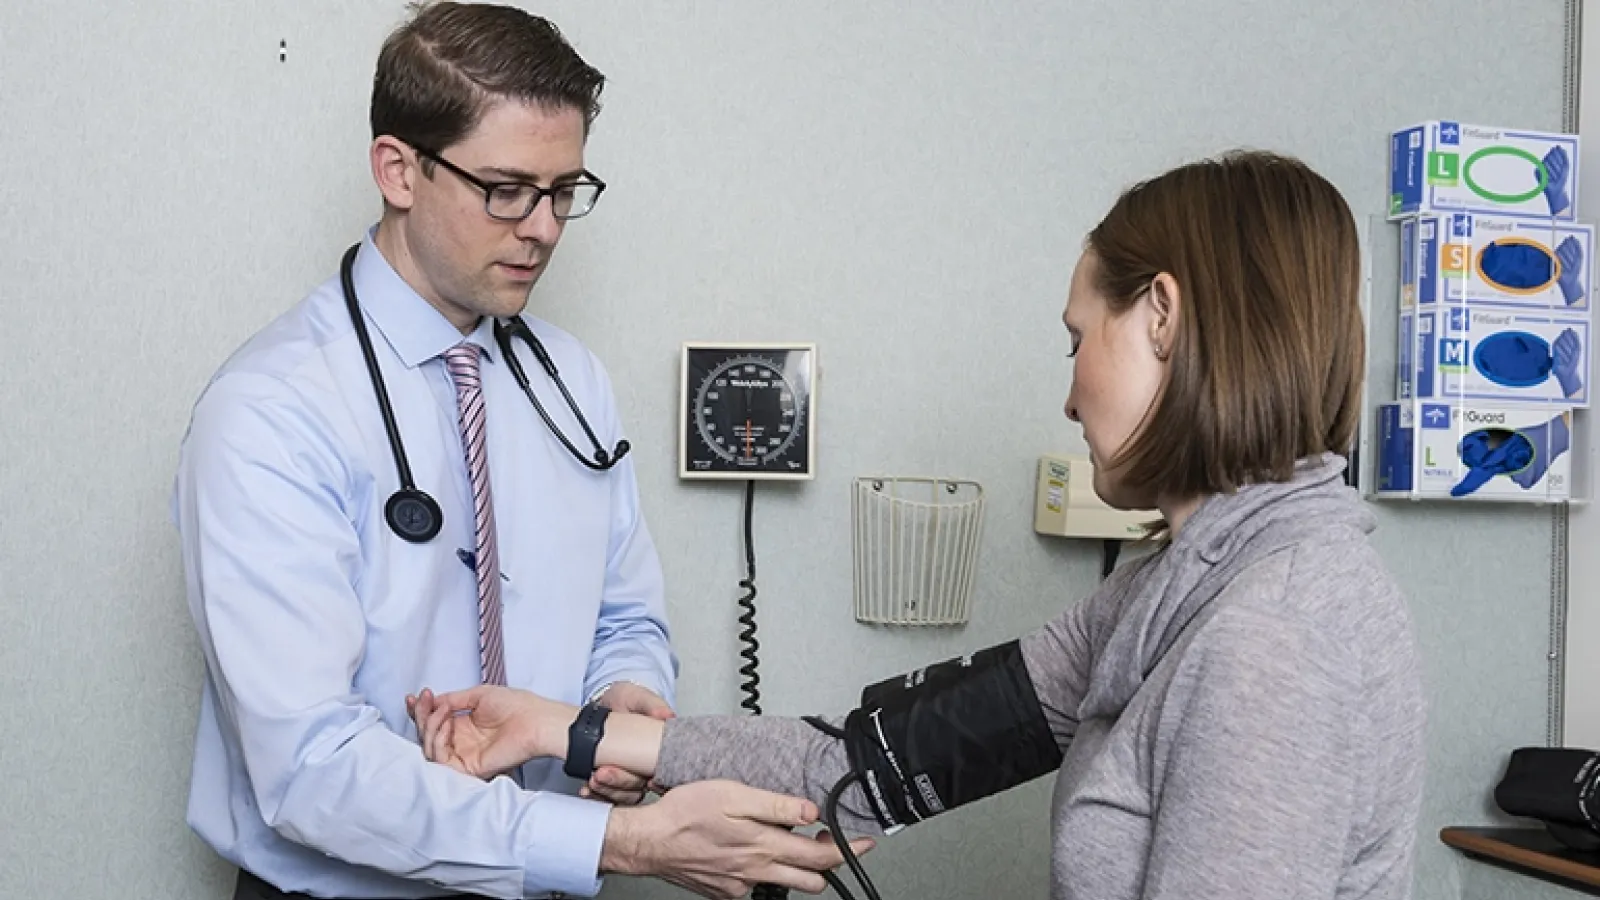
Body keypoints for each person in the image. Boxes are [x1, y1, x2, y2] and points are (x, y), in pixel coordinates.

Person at [407, 149, 1430, 900]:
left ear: (1160, 314)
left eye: (1076, 340)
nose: (1069, 398)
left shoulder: (1274, 636)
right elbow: (872, 759)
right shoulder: (1176, 591)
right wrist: (559, 727)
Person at [171, 3, 867, 898]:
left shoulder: (571, 381)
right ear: (399, 171)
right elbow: (310, 766)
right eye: (506, 189)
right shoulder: (270, 413)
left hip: (551, 881)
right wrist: (624, 843)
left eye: (564, 191)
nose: (543, 228)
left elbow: (624, 618)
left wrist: (621, 712)